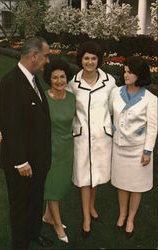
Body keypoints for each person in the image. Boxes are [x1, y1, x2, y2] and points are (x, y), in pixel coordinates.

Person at [0, 37, 53, 250]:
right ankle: (20, 245)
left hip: (38, 161)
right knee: (21, 207)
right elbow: (10, 126)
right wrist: (21, 162)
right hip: (22, 165)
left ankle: (33, 234)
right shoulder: (11, 83)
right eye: (46, 55)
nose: (47, 61)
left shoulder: (32, 78)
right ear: (34, 55)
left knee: (36, 201)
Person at [66, 40, 116, 237]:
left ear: (98, 60)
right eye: (86, 58)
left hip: (102, 137)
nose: (90, 62)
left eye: (93, 58)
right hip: (81, 137)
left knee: (96, 176)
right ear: (81, 59)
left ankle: (92, 207)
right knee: (84, 178)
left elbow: (113, 109)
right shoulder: (73, 84)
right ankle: (86, 217)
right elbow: (68, 110)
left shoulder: (110, 82)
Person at [110, 56, 158, 237]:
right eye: (125, 71)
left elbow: (153, 127)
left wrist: (148, 151)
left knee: (136, 186)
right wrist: (113, 127)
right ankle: (122, 214)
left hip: (139, 151)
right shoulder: (116, 92)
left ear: (140, 75)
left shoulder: (151, 99)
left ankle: (131, 218)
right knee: (122, 184)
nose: (126, 75)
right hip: (119, 147)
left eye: (130, 72)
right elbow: (109, 112)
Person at [42, 59, 76, 243]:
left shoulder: (72, 98)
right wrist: (8, 134)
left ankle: (47, 216)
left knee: (60, 185)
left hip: (67, 149)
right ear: (49, 79)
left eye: (62, 77)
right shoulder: (43, 98)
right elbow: (28, 120)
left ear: (66, 78)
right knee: (53, 187)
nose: (59, 81)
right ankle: (57, 224)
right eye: (54, 77)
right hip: (50, 149)